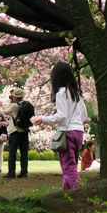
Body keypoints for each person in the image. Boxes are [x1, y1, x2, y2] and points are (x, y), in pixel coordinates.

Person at [32, 61, 89, 191]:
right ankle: (67, 190)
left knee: (68, 166)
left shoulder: (61, 93)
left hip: (67, 133)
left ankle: (73, 194)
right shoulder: (76, 93)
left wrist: (43, 119)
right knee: (72, 164)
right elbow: (85, 116)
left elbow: (61, 116)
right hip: (79, 132)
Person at [6, 86, 34, 179]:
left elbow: (5, 112)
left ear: (14, 97)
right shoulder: (27, 105)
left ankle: (11, 172)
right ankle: (24, 172)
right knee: (24, 153)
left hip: (15, 132)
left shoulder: (14, 105)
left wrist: (11, 102)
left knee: (12, 153)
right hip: (25, 131)